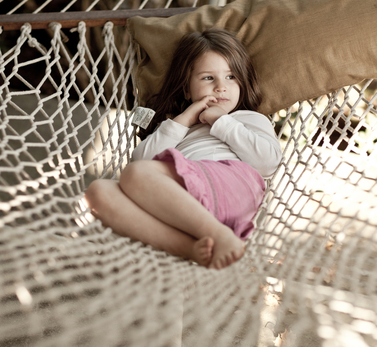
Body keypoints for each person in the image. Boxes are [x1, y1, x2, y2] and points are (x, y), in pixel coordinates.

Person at [85, 28, 281, 269]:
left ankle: (218, 234)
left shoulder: (249, 119)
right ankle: (190, 248)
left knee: (135, 175)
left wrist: (221, 121)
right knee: (98, 192)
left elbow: (268, 162)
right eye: (209, 78)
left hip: (231, 187)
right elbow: (142, 160)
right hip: (184, 206)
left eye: (231, 77)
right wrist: (186, 118)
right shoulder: (178, 128)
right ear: (187, 89)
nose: (221, 87)